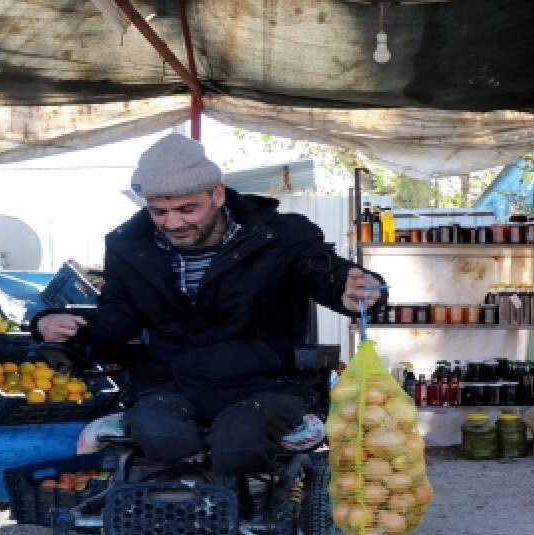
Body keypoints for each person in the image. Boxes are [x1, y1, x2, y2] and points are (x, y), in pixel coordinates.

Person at [33, 133, 385, 474]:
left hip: (265, 384)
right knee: (160, 437)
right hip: (171, 383)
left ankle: (249, 512)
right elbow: (119, 315)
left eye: (187, 209)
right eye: (160, 212)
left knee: (239, 444)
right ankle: (194, 514)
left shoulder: (280, 236)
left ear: (217, 194)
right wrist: (64, 324)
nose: (174, 223)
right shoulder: (128, 245)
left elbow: (325, 274)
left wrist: (353, 291)